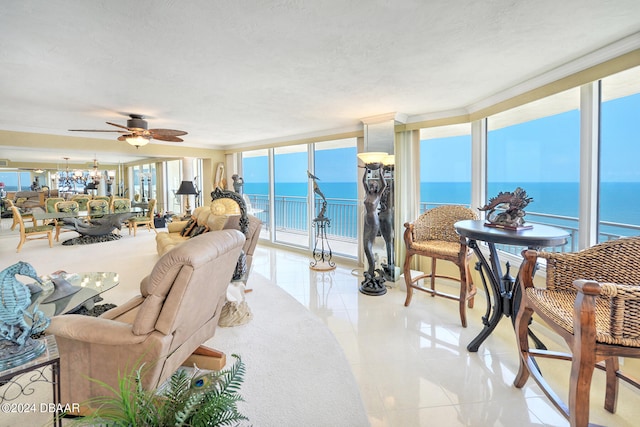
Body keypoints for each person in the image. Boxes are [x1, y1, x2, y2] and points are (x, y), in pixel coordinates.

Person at [362, 165, 387, 278]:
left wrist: (380, 172)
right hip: (366, 221)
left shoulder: (378, 195)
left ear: (376, 187)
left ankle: (371, 270)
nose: (371, 187)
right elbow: (363, 181)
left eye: (373, 186)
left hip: (374, 222)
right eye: (370, 185)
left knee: (369, 246)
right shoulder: (367, 194)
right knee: (365, 246)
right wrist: (366, 170)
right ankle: (370, 270)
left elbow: (385, 184)